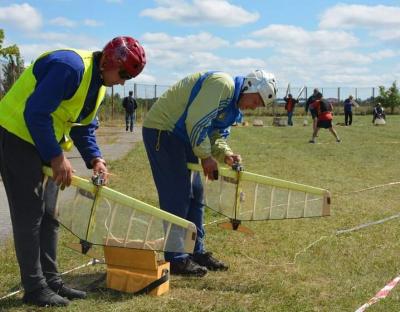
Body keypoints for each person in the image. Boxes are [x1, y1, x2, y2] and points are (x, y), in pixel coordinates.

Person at [0, 36, 146, 307]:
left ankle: (52, 281)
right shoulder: (70, 67)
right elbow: (35, 113)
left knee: (50, 215)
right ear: (108, 61)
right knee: (29, 215)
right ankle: (35, 288)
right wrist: (57, 158)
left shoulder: (100, 85)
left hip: (43, 142)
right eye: (124, 73)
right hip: (16, 136)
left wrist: (95, 159)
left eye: (130, 76)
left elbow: (82, 126)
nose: (124, 81)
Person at [142, 70, 276, 277]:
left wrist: (227, 154)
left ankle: (197, 252)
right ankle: (176, 258)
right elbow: (196, 122)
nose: (254, 107)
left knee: (196, 195)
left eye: (259, 105)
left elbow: (214, 135)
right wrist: (205, 157)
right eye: (256, 101)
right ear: (249, 87)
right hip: (163, 130)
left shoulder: (233, 109)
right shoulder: (222, 85)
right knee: (177, 194)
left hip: (183, 136)